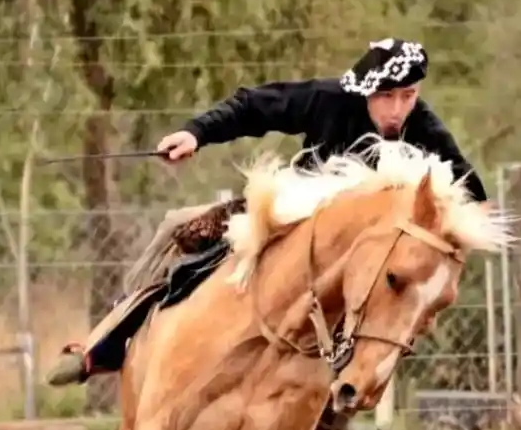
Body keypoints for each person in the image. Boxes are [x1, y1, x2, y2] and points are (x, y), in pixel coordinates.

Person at [45, 37, 488, 387]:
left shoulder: (423, 126)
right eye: (386, 96)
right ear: (366, 90)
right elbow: (255, 105)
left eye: (408, 96)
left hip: (358, 256)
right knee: (181, 228)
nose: (396, 110)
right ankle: (109, 342)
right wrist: (196, 133)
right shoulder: (328, 99)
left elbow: (468, 187)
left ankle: (351, 382)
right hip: (297, 209)